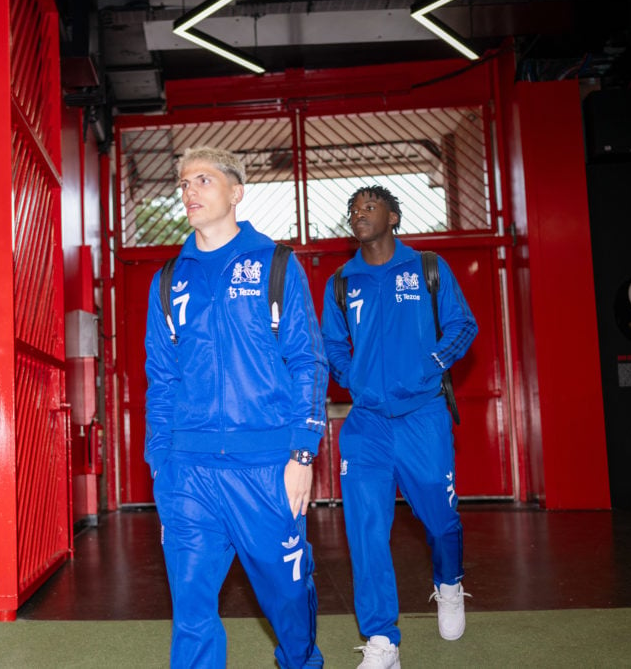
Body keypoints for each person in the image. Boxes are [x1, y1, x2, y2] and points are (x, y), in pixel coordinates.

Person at [144, 146, 328, 668]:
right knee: (192, 609)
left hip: (267, 467)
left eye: (203, 179)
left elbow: (308, 363)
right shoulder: (168, 281)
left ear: (236, 192)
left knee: (289, 599)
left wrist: (302, 453)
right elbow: (161, 377)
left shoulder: (276, 265)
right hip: (189, 473)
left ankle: (300, 661)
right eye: (183, 183)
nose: (189, 191)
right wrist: (161, 461)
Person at [320, 185, 477, 668]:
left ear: (393, 217)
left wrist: (432, 362)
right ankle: (382, 640)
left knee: (440, 519)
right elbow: (332, 343)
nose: (358, 214)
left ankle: (448, 583)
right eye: (353, 209)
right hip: (366, 425)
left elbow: (462, 325)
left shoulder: (428, 268)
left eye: (369, 207)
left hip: (422, 418)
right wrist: (354, 380)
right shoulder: (343, 281)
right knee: (365, 530)